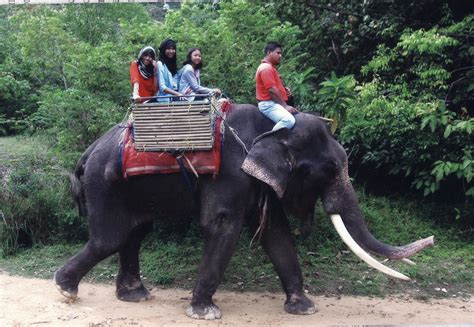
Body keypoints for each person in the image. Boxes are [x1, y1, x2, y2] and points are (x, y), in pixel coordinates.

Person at [255, 41, 297, 131]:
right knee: (288, 120)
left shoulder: (270, 67)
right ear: (269, 52)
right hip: (268, 105)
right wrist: (285, 106)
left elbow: (274, 88)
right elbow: (271, 90)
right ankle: (269, 142)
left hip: (273, 103)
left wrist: (284, 92)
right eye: (278, 53)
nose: (280, 56)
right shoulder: (266, 69)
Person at [156, 38, 182, 102]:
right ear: (163, 50)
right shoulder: (160, 64)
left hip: (175, 94)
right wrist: (178, 94)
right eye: (168, 49)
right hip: (165, 97)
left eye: (173, 49)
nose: (171, 51)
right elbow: (162, 87)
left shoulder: (173, 64)